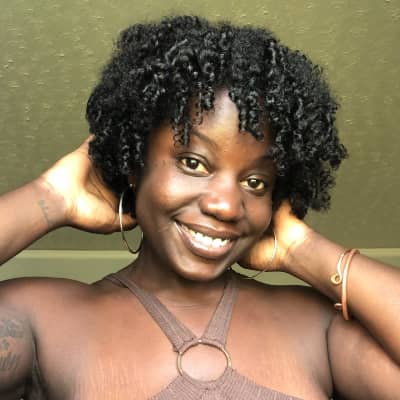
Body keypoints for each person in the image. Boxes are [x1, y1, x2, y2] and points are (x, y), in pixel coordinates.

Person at [0, 15, 399, 400]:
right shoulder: (44, 319)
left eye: (255, 182)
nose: (226, 206)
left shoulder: (316, 326)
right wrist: (49, 199)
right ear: (135, 165)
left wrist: (303, 250)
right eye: (193, 163)